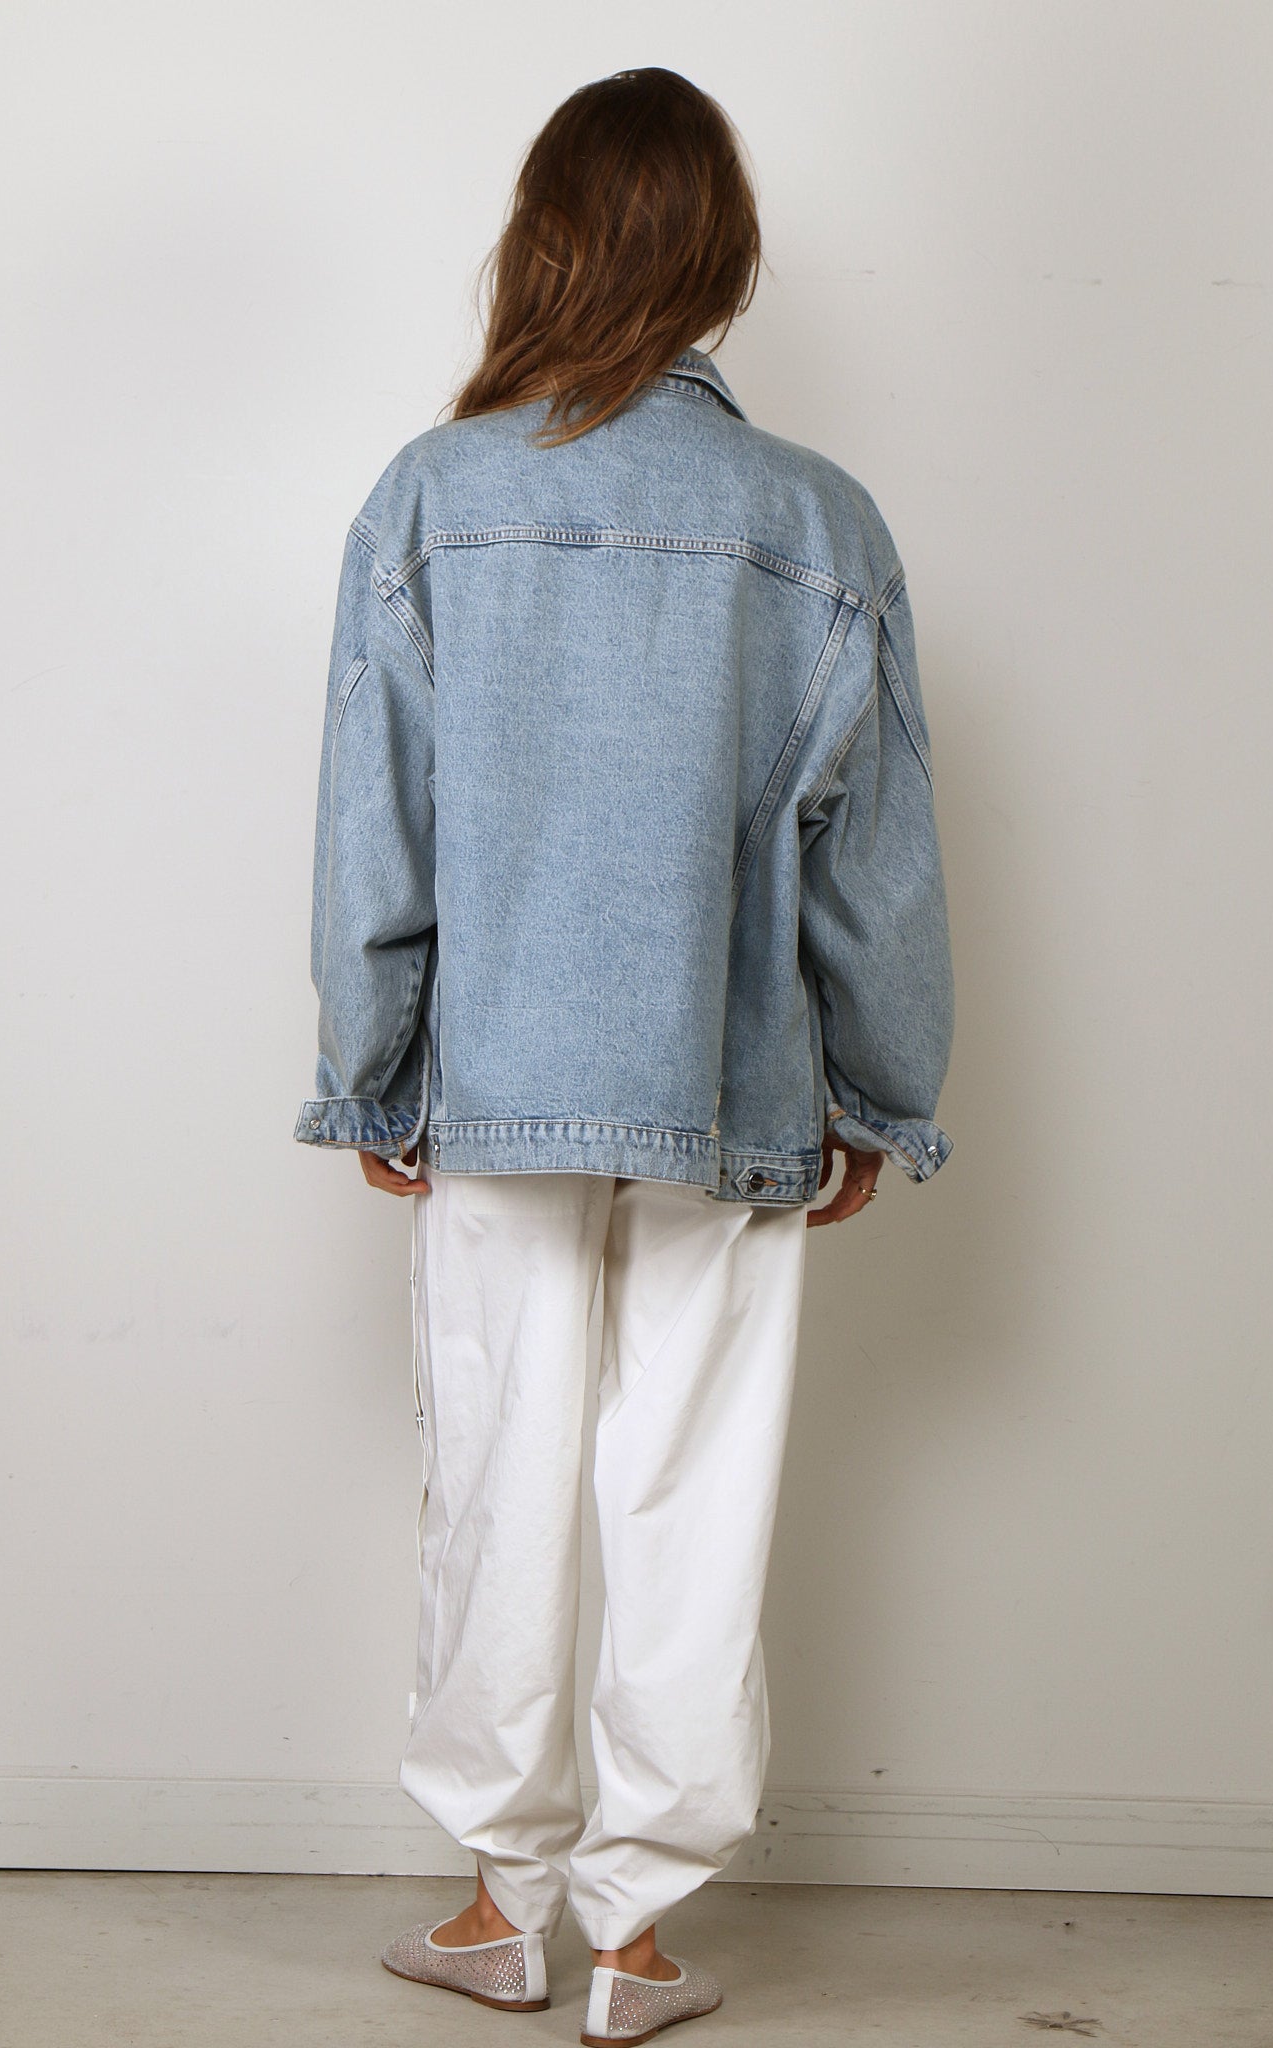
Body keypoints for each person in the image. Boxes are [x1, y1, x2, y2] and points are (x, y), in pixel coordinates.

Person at [294, 64, 954, 2046]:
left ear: (544, 243)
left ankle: (500, 1905)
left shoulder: (435, 493)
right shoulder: (817, 519)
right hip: (730, 1083)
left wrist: (377, 1062)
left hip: (496, 1076)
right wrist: (876, 1089)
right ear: (723, 260)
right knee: (692, 1486)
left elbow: (374, 827)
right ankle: (636, 1941)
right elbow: (877, 860)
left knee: (495, 1474)